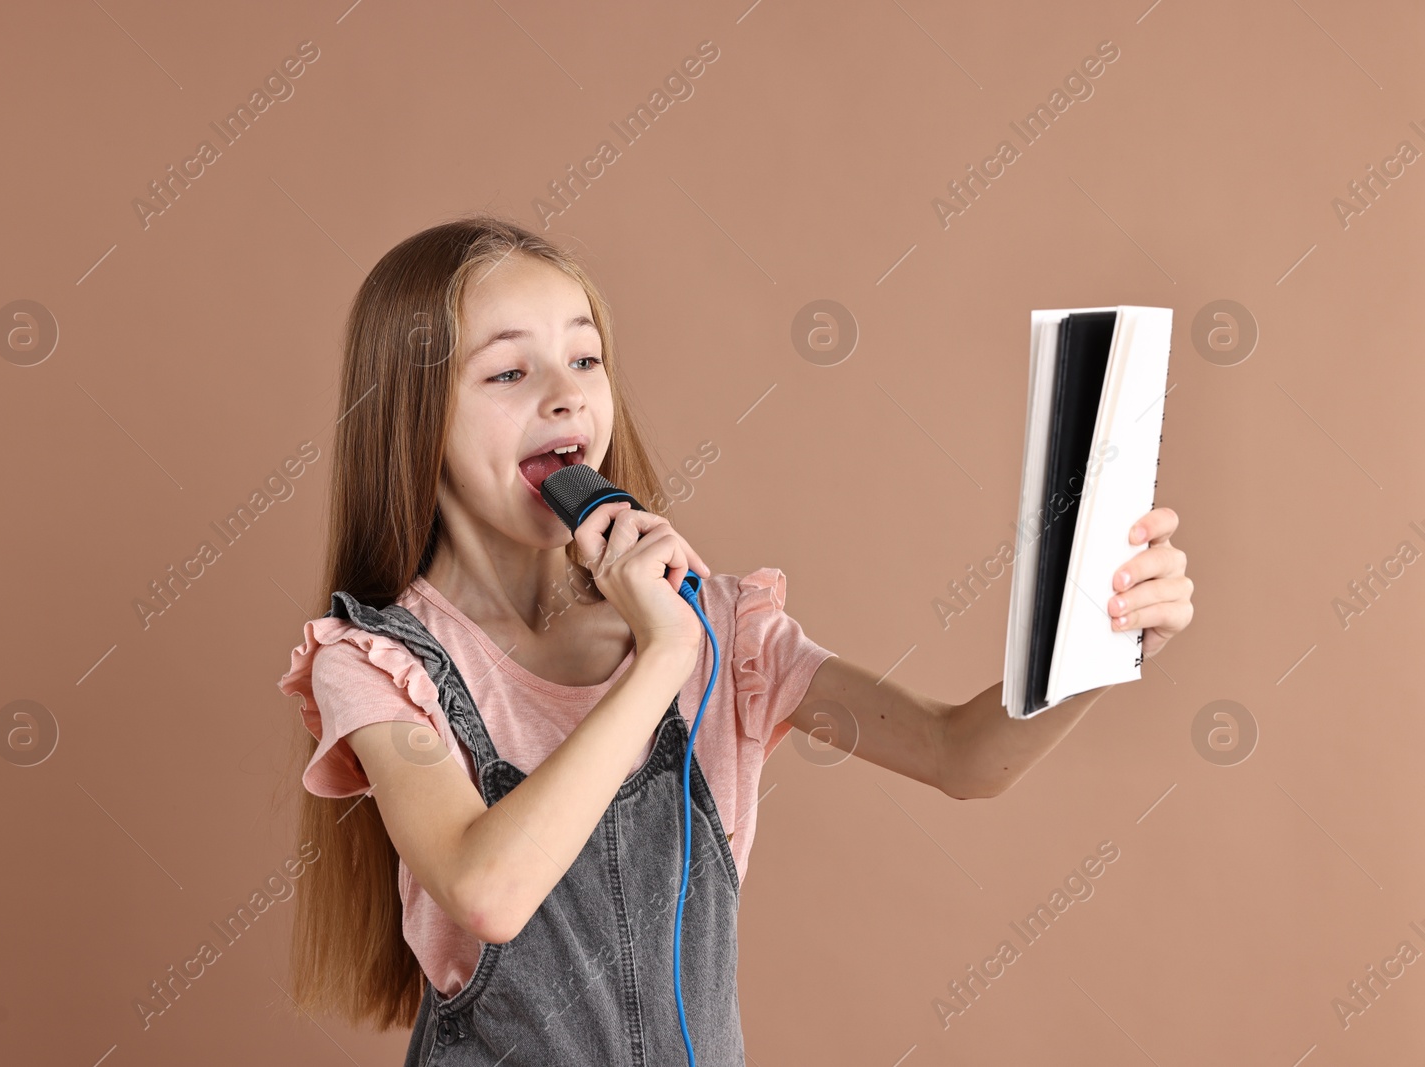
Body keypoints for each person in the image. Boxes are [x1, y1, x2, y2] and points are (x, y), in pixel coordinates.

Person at [274, 214, 1194, 1064]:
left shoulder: (726, 629)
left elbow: (963, 754)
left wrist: (1106, 637)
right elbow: (487, 890)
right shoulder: (379, 665)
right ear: (414, 415)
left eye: (586, 360)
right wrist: (664, 657)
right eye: (510, 373)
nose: (566, 398)